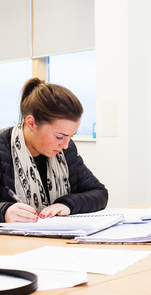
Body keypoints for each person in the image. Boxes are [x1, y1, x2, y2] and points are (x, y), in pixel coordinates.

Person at [0, 78, 108, 223]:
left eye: (71, 136)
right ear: (31, 123)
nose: (65, 145)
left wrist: (67, 204)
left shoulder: (66, 152)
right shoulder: (3, 149)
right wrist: (4, 211)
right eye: (59, 137)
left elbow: (100, 193)